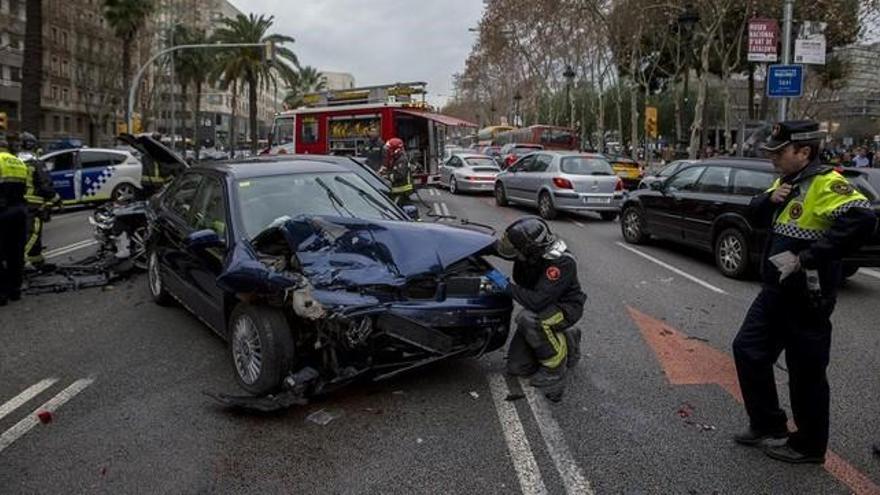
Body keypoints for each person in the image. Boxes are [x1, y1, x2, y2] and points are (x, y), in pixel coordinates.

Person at [732, 120, 877, 464]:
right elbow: (753, 212)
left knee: (806, 371)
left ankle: (809, 445)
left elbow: (864, 219)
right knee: (748, 349)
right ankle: (768, 424)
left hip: (806, 298)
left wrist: (813, 254)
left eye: (779, 152)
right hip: (775, 291)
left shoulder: (827, 183)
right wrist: (770, 197)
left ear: (804, 152)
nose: (773, 158)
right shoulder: (786, 181)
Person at [485, 217, 586, 401]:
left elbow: (536, 301)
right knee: (517, 367)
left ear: (529, 249)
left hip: (564, 307)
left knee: (529, 319)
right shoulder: (530, 251)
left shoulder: (560, 263)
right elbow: (498, 248)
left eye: (516, 248)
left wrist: (505, 285)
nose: (512, 250)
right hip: (543, 305)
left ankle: (555, 367)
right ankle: (568, 337)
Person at [18, 132, 58, 269]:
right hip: (33, 205)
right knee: (32, 233)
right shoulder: (36, 163)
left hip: (17, 204)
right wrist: (56, 200)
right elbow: (45, 185)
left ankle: (37, 260)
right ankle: (17, 262)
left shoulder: (14, 161)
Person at [0, 138, 30, 306]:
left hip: (2, 212)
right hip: (19, 211)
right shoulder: (19, 162)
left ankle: (1, 294)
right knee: (15, 253)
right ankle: (15, 290)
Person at [379, 137, 413, 207]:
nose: (388, 151)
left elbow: (399, 175)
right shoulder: (396, 158)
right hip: (398, 191)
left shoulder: (402, 160)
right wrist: (385, 169)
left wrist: (386, 175)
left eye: (389, 149)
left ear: (396, 150)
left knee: (395, 209)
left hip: (401, 191)